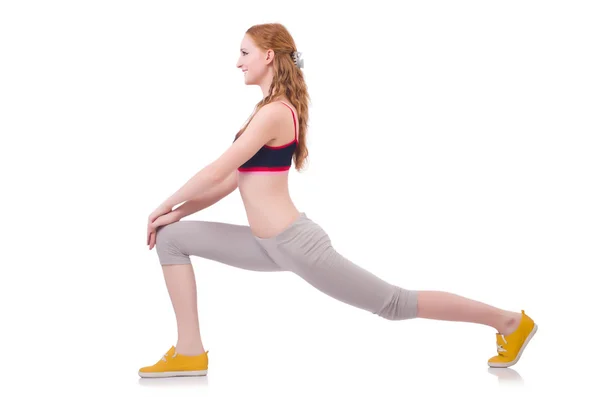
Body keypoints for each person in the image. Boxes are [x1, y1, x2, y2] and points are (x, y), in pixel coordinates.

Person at [138, 23, 537, 378]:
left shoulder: (276, 113)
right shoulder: (262, 113)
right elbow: (227, 184)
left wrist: (162, 205)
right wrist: (172, 216)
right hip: (266, 245)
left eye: (244, 53)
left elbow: (214, 170)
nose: (237, 62)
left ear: (269, 55)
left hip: (296, 243)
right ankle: (190, 352)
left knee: (394, 303)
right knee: (173, 238)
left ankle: (508, 322)